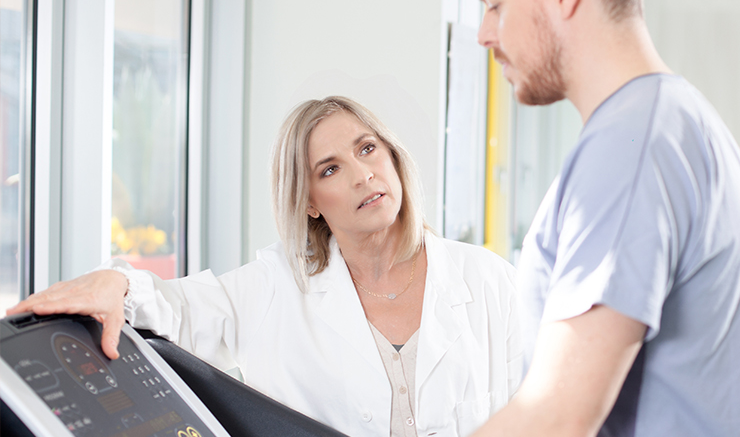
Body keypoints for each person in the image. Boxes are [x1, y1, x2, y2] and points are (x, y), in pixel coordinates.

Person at [8, 96, 522, 436]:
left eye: (368, 149)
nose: (363, 175)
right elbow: (176, 310)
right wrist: (115, 281)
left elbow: (542, 411)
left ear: (393, 157)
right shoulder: (277, 285)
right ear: (310, 202)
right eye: (330, 169)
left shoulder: (487, 279)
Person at [469, 0, 740, 436]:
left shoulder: (630, 146)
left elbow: (556, 419)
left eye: (494, 5)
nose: (485, 35)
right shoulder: (672, 122)